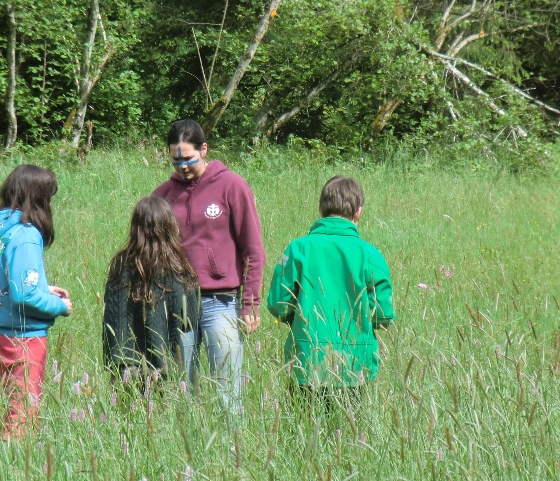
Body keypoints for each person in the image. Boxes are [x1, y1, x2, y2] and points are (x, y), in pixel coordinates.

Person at [153, 119, 265, 413]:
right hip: (177, 303)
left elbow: (253, 250)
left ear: (204, 149)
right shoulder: (162, 195)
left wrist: (250, 303)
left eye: (188, 158)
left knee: (228, 390)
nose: (182, 166)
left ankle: (233, 441)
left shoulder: (232, 186)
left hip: (221, 303)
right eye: (175, 160)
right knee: (183, 391)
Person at [267, 176, 395, 396]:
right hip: (355, 366)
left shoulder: (297, 249)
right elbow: (383, 315)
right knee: (351, 419)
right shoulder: (371, 255)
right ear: (359, 212)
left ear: (321, 209)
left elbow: (278, 304)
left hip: (306, 360)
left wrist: (296, 319)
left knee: (303, 417)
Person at [0, 164, 72, 440]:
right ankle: (18, 459)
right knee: (23, 415)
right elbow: (24, 296)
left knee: (13, 405)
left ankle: (9, 454)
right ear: (39, 198)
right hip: (24, 338)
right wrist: (60, 307)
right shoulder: (26, 235)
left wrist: (44, 288)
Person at [102, 196, 199, 379]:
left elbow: (112, 316)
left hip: (126, 362)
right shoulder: (178, 268)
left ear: (135, 227)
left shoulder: (121, 265)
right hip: (167, 364)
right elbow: (189, 321)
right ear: (170, 227)